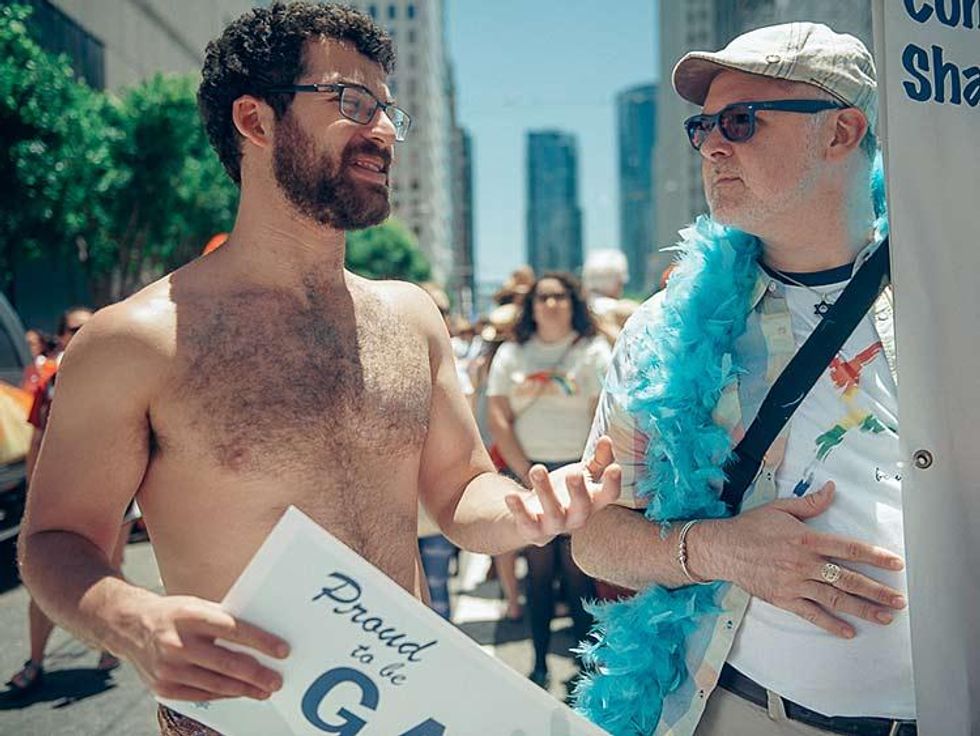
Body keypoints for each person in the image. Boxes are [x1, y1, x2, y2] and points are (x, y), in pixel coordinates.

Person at [16, 5, 620, 735]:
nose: (386, 131)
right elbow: (54, 541)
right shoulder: (137, 342)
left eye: (387, 107)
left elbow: (460, 492)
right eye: (352, 102)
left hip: (413, 708)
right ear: (255, 121)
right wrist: (132, 618)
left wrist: (526, 510)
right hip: (235, 722)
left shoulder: (409, 318)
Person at [570, 22, 916, 736]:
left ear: (842, 132)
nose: (712, 145)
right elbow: (596, 539)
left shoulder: (952, 299)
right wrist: (718, 549)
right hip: (751, 713)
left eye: (741, 121)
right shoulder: (665, 328)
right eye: (704, 127)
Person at [487, 272, 613, 689]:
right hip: (531, 473)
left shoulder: (592, 351)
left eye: (559, 296)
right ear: (532, 305)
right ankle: (539, 664)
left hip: (578, 474)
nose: (551, 304)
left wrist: (584, 472)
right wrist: (527, 474)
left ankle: (586, 667)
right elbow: (499, 419)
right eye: (543, 297)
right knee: (538, 574)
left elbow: (604, 417)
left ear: (573, 302)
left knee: (580, 574)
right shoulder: (511, 354)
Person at [7, 307, 131, 695]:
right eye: (75, 328)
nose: (84, 333)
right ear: (61, 336)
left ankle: (112, 646)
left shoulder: (122, 374)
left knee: (107, 570)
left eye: (90, 326)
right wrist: (33, 492)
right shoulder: (51, 383)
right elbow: (37, 439)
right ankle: (36, 661)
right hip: (63, 494)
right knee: (40, 576)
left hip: (117, 493)